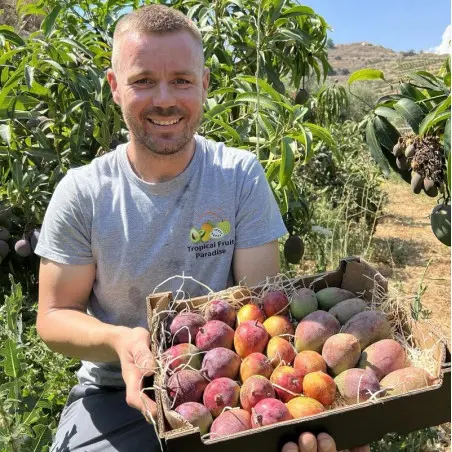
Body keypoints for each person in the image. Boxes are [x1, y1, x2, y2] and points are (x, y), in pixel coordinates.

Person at [35, 4, 368, 452]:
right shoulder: (84, 192)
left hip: (226, 386)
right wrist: (121, 340)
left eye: (182, 81)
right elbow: (53, 317)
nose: (165, 99)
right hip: (116, 392)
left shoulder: (238, 176)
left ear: (205, 84)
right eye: (143, 80)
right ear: (115, 87)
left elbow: (261, 308)